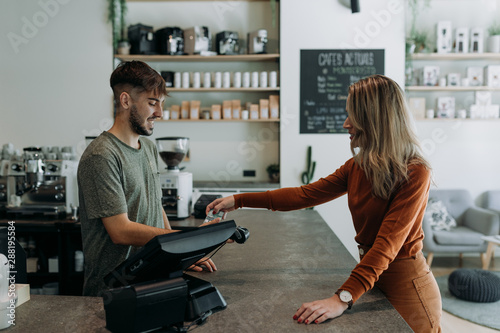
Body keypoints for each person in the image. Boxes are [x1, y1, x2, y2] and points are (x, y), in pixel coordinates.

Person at [206, 75, 442, 332]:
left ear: (375, 120)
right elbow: (304, 195)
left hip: (408, 289)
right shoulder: (358, 167)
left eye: (353, 116)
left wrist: (342, 298)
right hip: (372, 281)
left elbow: (387, 245)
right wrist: (239, 200)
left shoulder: (415, 172)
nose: (345, 124)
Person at [78, 61, 217, 297]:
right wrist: (186, 240)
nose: (160, 113)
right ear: (125, 101)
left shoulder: (149, 148)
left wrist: (178, 255)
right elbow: (120, 231)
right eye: (152, 103)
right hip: (114, 292)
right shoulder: (101, 156)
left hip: (152, 279)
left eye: (162, 103)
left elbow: (156, 206)